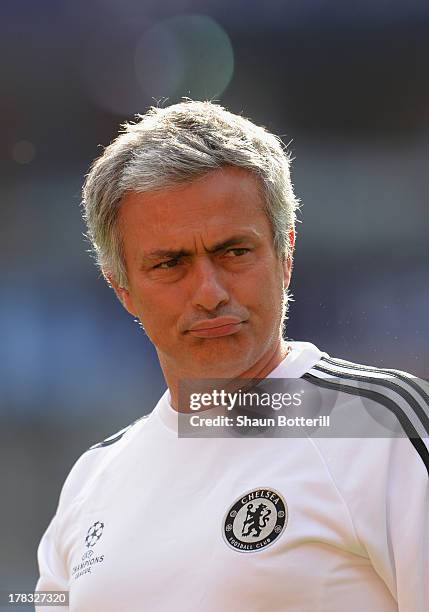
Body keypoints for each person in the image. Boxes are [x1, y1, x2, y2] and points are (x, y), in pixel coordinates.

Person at [36, 101, 428, 611]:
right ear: (122, 288)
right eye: (170, 264)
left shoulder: (381, 426)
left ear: (285, 253)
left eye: (233, 252)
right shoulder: (92, 480)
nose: (209, 291)